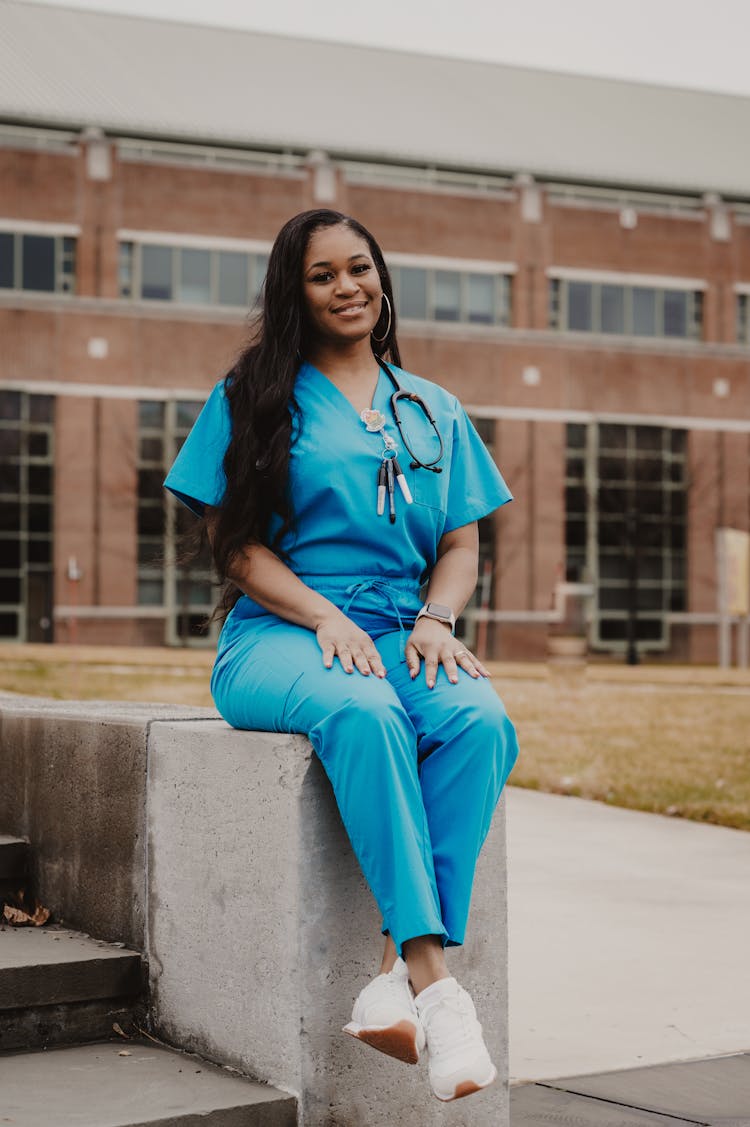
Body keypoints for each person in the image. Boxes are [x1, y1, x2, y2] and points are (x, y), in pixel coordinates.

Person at [164, 208, 519, 1103]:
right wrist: (324, 614)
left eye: (359, 268)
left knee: (480, 721)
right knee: (363, 712)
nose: (348, 286)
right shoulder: (252, 396)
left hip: (404, 630)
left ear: (382, 278)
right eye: (323, 275)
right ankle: (438, 989)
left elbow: (463, 544)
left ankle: (399, 981)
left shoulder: (432, 406)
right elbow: (233, 547)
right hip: (279, 633)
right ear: (297, 292)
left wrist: (438, 618)